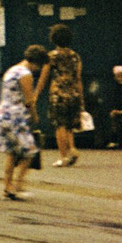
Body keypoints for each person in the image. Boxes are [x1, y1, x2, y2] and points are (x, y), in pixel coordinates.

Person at [0, 45, 47, 200]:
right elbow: (29, 100)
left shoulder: (12, 70)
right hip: (16, 116)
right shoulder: (26, 74)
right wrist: (35, 116)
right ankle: (18, 183)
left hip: (3, 114)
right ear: (37, 62)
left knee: (12, 152)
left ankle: (8, 186)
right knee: (30, 151)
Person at [37, 23, 85, 167]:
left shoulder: (51, 56)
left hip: (58, 94)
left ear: (53, 39)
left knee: (60, 126)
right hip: (74, 93)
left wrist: (36, 94)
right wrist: (81, 97)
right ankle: (72, 150)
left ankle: (63, 157)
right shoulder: (75, 56)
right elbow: (78, 77)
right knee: (70, 126)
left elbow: (44, 77)